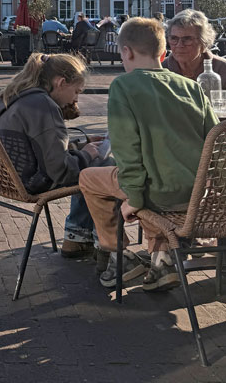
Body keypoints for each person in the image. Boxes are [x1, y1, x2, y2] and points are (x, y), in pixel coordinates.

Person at [80, 17, 218, 290]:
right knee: (155, 175)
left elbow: (126, 150)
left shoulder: (124, 86)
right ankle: (161, 261)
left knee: (88, 177)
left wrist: (133, 198)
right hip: (194, 194)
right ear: (164, 52)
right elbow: (217, 144)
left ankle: (119, 253)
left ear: (126, 52)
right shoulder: (192, 87)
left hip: (156, 192)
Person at [0, 53, 103, 258]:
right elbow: (62, 171)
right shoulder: (44, 106)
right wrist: (86, 156)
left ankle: (77, 236)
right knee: (102, 168)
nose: (76, 99)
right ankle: (104, 246)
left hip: (8, 178)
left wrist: (80, 147)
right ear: (61, 82)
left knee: (91, 162)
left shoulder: (17, 98)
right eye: (77, 91)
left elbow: (39, 148)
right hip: (32, 182)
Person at [163, 8, 226, 83]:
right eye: (174, 38)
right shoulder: (160, 69)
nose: (179, 45)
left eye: (187, 39)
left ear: (203, 42)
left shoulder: (222, 69)